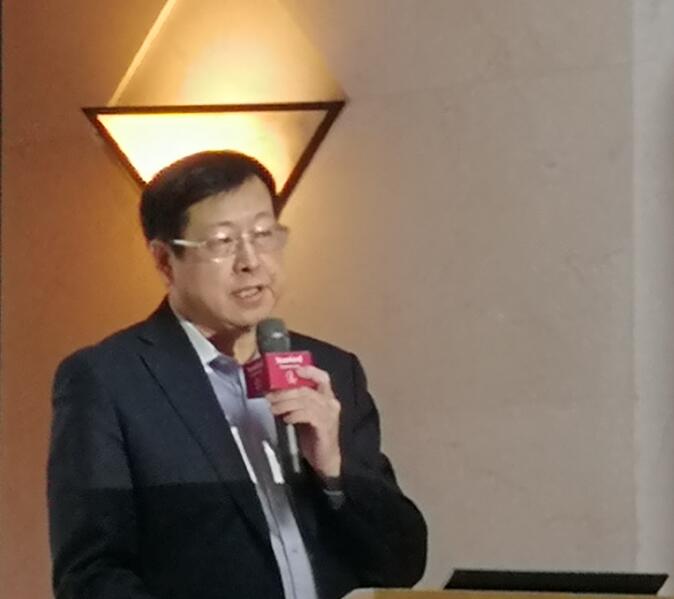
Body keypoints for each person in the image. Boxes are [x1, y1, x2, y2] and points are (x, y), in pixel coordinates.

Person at [47, 150, 427, 599]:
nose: (251, 261)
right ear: (165, 260)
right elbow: (91, 575)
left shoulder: (332, 370)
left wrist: (334, 471)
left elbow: (403, 564)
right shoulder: (109, 381)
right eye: (222, 242)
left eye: (264, 234)